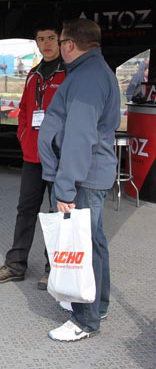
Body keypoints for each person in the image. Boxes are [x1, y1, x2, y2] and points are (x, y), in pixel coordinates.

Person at [38, 18, 120, 342]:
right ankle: (97, 305)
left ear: (69, 45)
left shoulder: (86, 79)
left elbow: (78, 137)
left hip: (83, 178)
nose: (57, 47)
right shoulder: (96, 72)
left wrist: (65, 186)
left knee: (82, 247)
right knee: (95, 242)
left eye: (59, 42)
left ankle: (85, 321)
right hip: (90, 175)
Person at [0, 24, 65, 288]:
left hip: (58, 158)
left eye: (51, 38)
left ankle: (54, 268)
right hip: (32, 157)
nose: (47, 44)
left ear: (61, 39)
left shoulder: (70, 73)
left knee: (57, 214)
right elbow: (24, 110)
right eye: (41, 39)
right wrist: (23, 137)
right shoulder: (33, 74)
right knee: (25, 210)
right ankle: (15, 265)